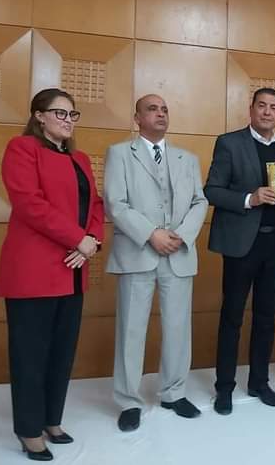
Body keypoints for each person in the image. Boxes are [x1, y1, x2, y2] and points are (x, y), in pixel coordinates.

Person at [0, 88, 104, 461]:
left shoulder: (80, 158)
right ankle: (28, 429)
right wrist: (78, 239)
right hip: (33, 270)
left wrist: (92, 241)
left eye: (73, 115)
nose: (68, 120)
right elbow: (29, 204)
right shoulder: (22, 149)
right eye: (60, 113)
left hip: (73, 269)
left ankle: (51, 419)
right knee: (30, 355)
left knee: (61, 351)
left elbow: (95, 205)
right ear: (39, 116)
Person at [104, 94, 208, 431]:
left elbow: (199, 201)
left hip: (178, 252)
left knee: (178, 328)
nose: (160, 113)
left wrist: (181, 235)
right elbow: (115, 203)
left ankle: (173, 393)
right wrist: (151, 234)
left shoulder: (187, 158)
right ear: (137, 118)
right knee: (131, 330)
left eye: (164, 109)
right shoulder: (120, 153)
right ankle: (128, 401)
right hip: (137, 252)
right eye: (152, 109)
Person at [204, 88, 275, 415]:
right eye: (262, 106)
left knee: (266, 317)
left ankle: (259, 382)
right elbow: (212, 190)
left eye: (274, 107)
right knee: (232, 316)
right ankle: (225, 387)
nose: (267, 112)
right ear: (251, 109)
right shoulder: (229, 143)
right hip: (242, 243)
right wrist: (249, 198)